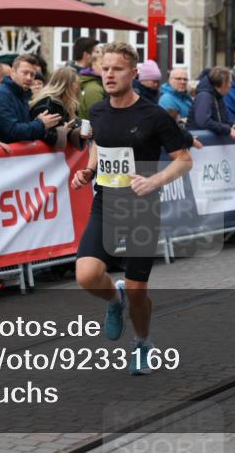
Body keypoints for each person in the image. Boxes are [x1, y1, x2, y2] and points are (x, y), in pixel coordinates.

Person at [70, 42, 192, 375]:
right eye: (104, 68)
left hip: (142, 208)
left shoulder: (153, 115)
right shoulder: (96, 111)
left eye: (117, 69)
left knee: (139, 292)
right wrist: (90, 170)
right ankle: (114, 300)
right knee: (86, 275)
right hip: (106, 202)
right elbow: (97, 144)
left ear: (134, 74)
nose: (109, 74)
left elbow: (184, 161)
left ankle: (142, 343)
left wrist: (155, 181)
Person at [0, 54, 62, 143]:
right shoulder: (0, 94)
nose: (29, 78)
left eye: (32, 74)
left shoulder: (23, 94)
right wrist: (40, 124)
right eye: (25, 73)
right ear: (13, 72)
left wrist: (38, 122)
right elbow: (13, 130)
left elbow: (22, 127)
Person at [29, 67, 81, 147]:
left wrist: (79, 132)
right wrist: (63, 132)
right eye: (75, 83)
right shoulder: (46, 104)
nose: (77, 86)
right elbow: (41, 134)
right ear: (67, 84)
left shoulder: (66, 104)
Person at [187, 67, 235, 138]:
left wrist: (233, 125)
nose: (230, 86)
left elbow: (221, 121)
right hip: (199, 142)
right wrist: (228, 130)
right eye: (229, 82)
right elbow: (203, 121)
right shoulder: (205, 95)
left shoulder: (218, 96)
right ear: (223, 83)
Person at [77, 52, 105, 119]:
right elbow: (98, 119)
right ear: (93, 65)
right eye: (102, 64)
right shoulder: (94, 89)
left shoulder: (95, 83)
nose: (105, 68)